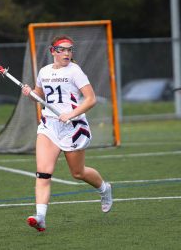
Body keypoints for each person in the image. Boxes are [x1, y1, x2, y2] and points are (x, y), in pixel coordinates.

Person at [21, 35, 113, 232]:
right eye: (62, 49)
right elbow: (40, 97)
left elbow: (91, 99)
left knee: (78, 173)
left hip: (73, 127)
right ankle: (41, 217)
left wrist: (71, 114)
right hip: (49, 126)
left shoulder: (75, 71)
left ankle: (104, 189)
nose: (67, 53)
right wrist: (30, 94)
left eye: (70, 50)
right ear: (53, 51)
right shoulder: (44, 71)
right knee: (43, 174)